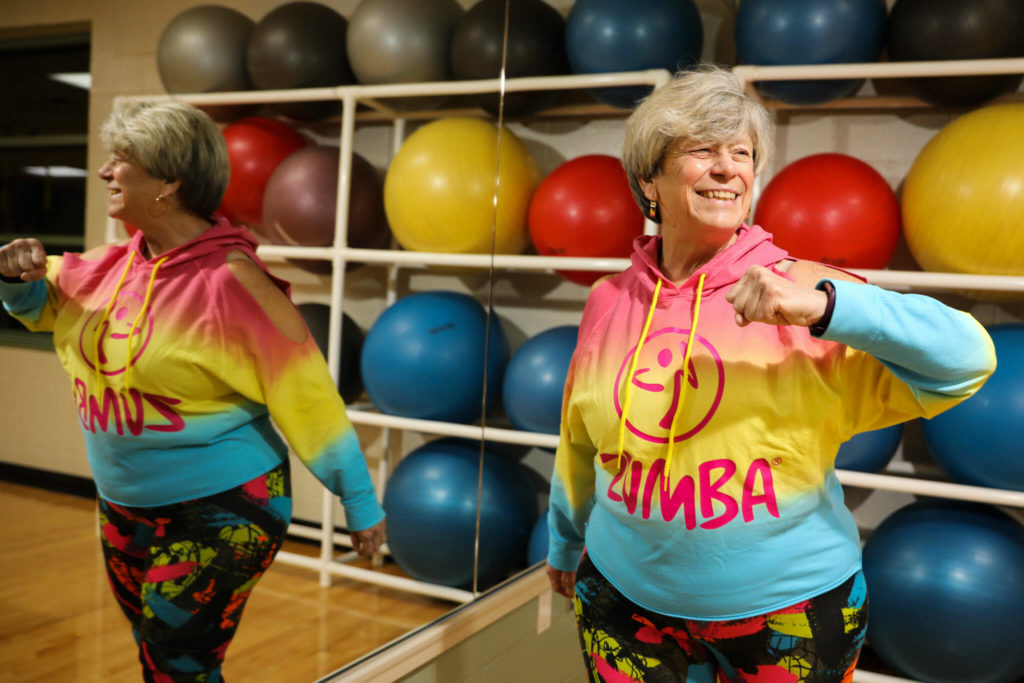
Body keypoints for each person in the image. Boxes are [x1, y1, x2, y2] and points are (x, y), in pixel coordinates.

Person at [544, 64, 996, 682]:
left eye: (743, 153)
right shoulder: (608, 299)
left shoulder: (801, 288)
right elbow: (578, 437)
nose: (728, 168)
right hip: (622, 601)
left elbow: (967, 360)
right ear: (649, 177)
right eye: (703, 150)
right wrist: (566, 542)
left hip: (790, 617)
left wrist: (828, 308)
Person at [0, 100, 386, 682]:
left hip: (225, 505)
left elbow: (308, 399)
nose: (105, 172)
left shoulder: (234, 281)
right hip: (124, 504)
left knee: (178, 664)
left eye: (121, 160)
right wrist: (15, 276)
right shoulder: (110, 269)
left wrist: (358, 501)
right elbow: (44, 302)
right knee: (160, 656)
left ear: (168, 184)